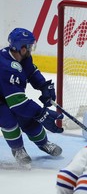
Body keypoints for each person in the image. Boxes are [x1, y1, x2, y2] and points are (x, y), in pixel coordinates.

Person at [0, 28, 64, 166]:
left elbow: (32, 72)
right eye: (29, 46)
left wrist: (44, 86)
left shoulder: (22, 56)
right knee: (8, 121)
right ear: (21, 48)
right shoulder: (5, 66)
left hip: (10, 95)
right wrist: (41, 113)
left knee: (28, 120)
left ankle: (44, 143)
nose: (31, 49)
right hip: (1, 101)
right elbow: (17, 103)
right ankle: (18, 150)